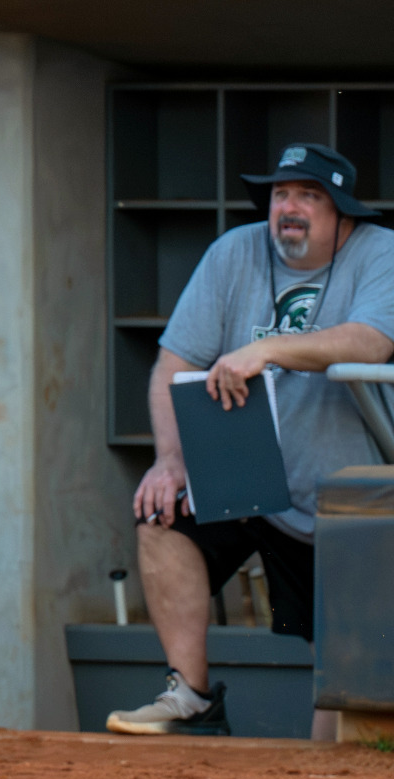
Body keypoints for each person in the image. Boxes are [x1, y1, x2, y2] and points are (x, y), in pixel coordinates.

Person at [111, 142, 394, 738]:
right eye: (280, 194)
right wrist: (170, 460)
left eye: (309, 196)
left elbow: (370, 342)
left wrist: (265, 349)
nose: (289, 207)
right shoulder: (234, 251)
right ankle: (190, 697)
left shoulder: (381, 251)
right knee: (161, 514)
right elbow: (172, 366)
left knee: (345, 691)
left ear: (343, 214)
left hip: (342, 497)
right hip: (246, 471)